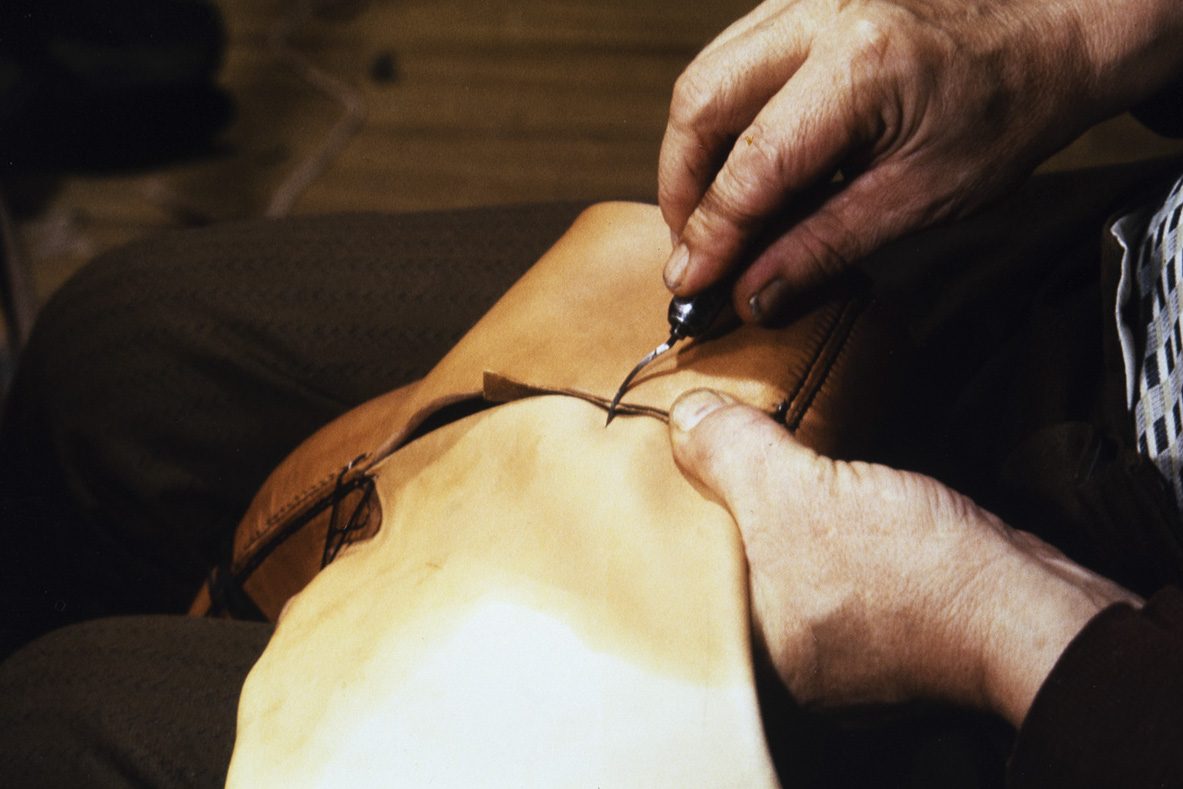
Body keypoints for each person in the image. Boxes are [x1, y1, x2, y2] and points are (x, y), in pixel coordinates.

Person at [1, 0, 1182, 786]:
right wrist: (1070, 34)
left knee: (64, 730)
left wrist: (1003, 622)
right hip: (1105, 274)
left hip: (1092, 695)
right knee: (122, 355)